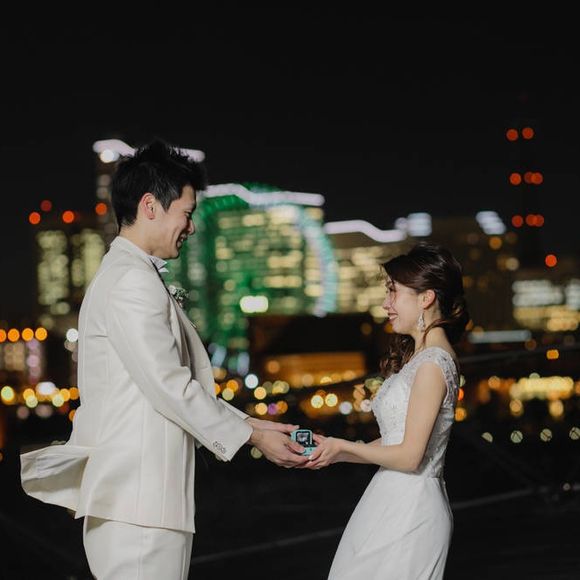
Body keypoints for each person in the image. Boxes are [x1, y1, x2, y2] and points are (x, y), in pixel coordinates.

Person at [20, 139, 308, 579]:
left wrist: (256, 426)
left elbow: (167, 386)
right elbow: (170, 386)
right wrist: (253, 436)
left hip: (142, 504)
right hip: (140, 507)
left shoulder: (130, 275)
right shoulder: (131, 283)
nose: (191, 227)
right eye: (187, 213)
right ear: (150, 206)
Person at [307, 242, 470, 579]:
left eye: (393, 291)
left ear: (426, 298)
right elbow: (396, 439)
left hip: (411, 507)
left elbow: (410, 456)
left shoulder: (433, 364)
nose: (386, 303)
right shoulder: (420, 358)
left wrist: (343, 445)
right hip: (390, 498)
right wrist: (336, 452)